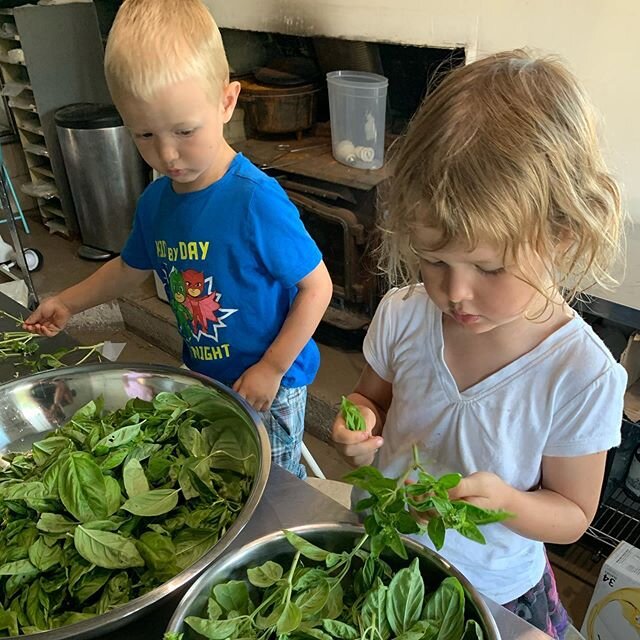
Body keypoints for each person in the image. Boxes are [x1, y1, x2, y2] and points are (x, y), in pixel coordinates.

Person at [331, 50, 626, 639]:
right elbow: (374, 399)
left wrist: (503, 503)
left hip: (493, 588)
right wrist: (359, 424)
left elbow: (571, 516)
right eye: (434, 260)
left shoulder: (580, 373)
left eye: (488, 268)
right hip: (386, 552)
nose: (456, 292)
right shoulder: (404, 315)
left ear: (561, 236)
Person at [24, 0, 333, 479]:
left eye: (185, 131)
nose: (166, 154)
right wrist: (68, 301)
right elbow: (129, 268)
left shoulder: (255, 202)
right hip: (205, 373)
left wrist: (272, 368)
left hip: (273, 378)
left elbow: (318, 288)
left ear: (227, 102)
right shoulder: (156, 201)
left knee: (274, 483)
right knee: (222, 473)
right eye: (144, 134)